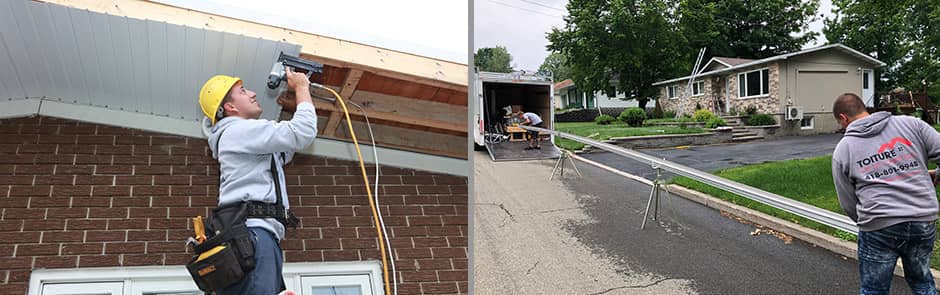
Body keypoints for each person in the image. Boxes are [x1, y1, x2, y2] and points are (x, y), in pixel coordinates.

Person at [197, 67, 317, 294]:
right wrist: (302, 88)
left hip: (249, 238)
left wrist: (298, 106)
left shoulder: (243, 136)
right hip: (253, 237)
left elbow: (286, 150)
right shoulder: (238, 131)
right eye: (242, 91)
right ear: (230, 107)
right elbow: (302, 133)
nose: (252, 93)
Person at [831, 93, 940, 295]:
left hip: (879, 226)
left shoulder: (843, 150)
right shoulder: (911, 124)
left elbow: (847, 201)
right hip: (922, 220)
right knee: (922, 283)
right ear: (864, 108)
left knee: (874, 290)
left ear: (843, 118)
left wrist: (867, 222)